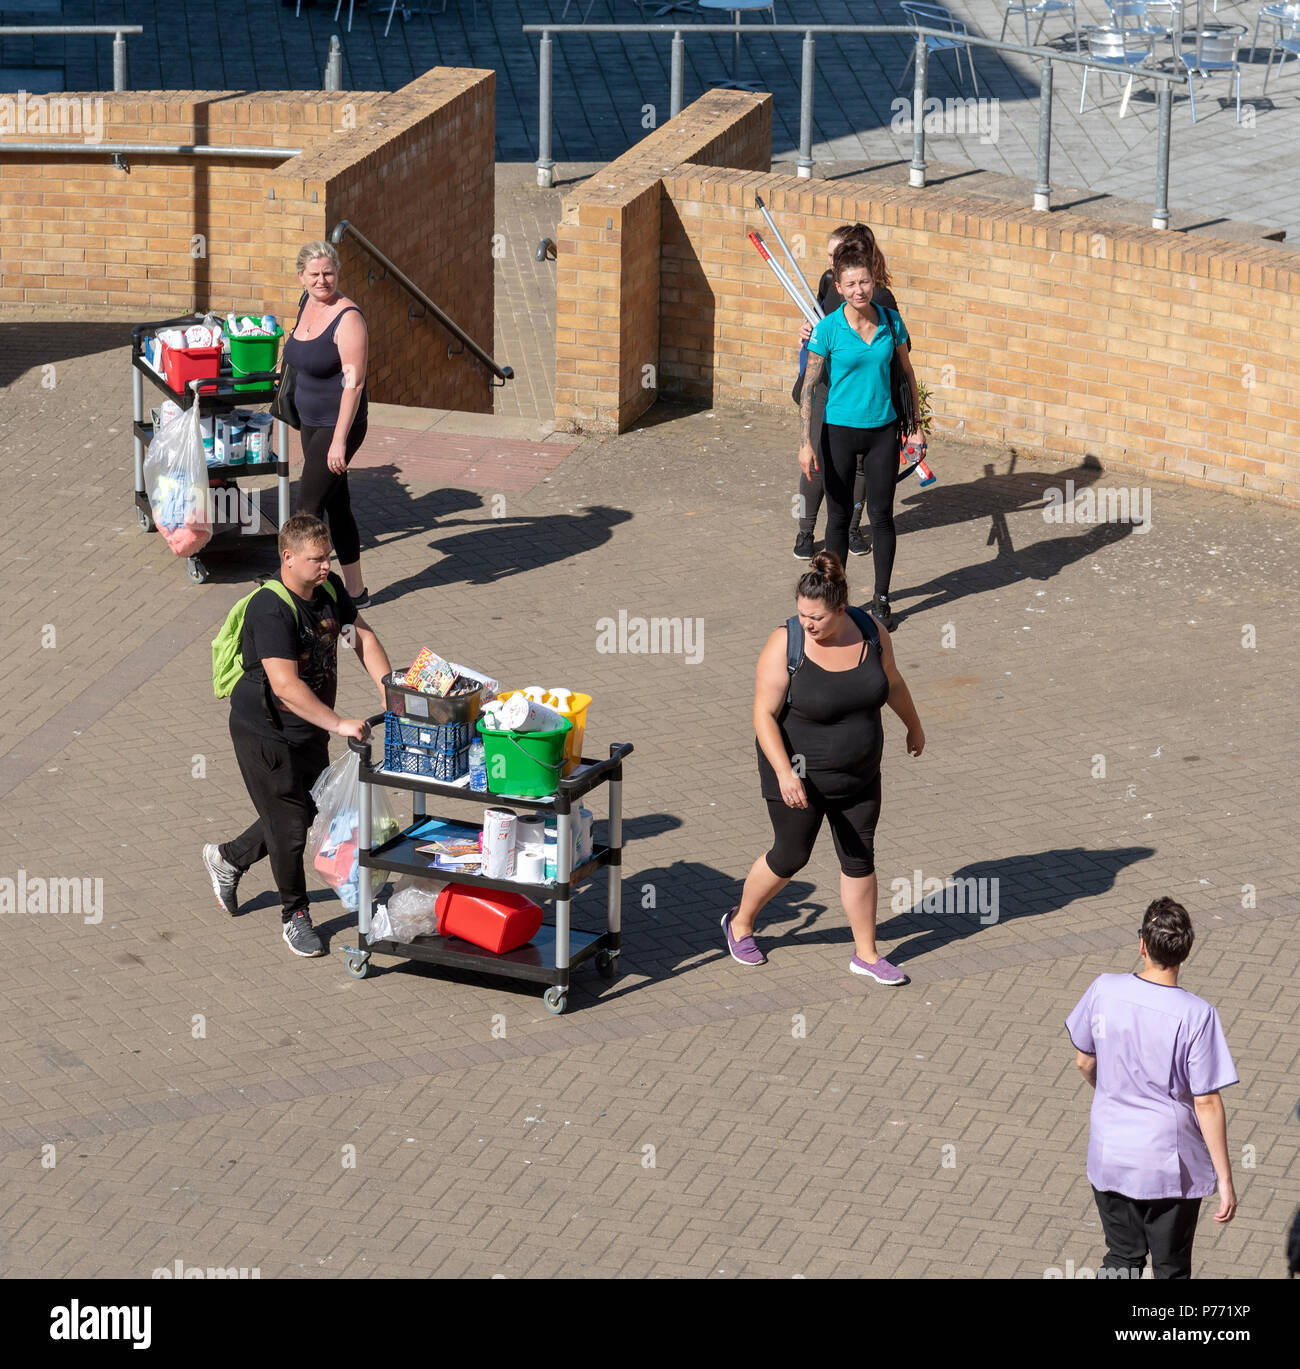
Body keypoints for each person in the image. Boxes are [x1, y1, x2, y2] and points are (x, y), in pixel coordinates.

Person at [723, 552, 925, 982]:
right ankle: (740, 922)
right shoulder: (787, 643)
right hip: (797, 775)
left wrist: (914, 726)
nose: (807, 624)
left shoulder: (872, 632)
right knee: (790, 855)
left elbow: (893, 682)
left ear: (841, 609)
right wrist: (783, 772)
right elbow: (763, 714)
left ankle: (866, 955)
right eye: (801, 614)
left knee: (859, 857)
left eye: (816, 617)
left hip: (860, 775)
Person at [202, 514, 392, 958]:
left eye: (327, 558)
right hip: (265, 732)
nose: (326, 567)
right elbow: (285, 684)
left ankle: (228, 858)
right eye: (316, 560)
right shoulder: (270, 609)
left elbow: (359, 636)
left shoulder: (327, 590)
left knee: (307, 808)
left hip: (309, 725)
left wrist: (390, 691)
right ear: (287, 558)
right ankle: (295, 915)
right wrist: (339, 722)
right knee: (289, 827)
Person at [1066, 897, 1239, 1279]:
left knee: (1122, 1258)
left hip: (1110, 1153)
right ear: (1185, 951)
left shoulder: (1104, 989)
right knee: (1170, 1268)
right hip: (1168, 1166)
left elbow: (1084, 1061)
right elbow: (1207, 1100)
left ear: (1142, 944)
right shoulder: (1197, 1015)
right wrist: (1225, 1180)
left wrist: (1111, 1090)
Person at [798, 236, 923, 631]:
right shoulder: (827, 330)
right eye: (850, 284)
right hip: (838, 432)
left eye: (864, 282)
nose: (858, 290)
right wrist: (806, 443)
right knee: (837, 519)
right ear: (838, 287)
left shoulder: (890, 321)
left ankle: (882, 601)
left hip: (882, 431)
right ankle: (836, 600)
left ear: (874, 281)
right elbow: (810, 386)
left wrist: (915, 429)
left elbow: (907, 373)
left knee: (881, 516)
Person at [792, 224, 902, 563]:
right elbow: (823, 321)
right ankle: (807, 531)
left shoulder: (879, 300)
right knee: (818, 466)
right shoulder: (829, 280)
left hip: (863, 403)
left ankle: (852, 528)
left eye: (834, 255)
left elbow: (899, 356)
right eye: (829, 257)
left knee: (859, 473)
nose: (829, 263)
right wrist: (808, 331)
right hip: (826, 390)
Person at [283, 241, 372, 607]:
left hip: (340, 425)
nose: (323, 280)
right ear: (301, 276)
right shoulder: (306, 304)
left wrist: (339, 442)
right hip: (310, 421)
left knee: (306, 508)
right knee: (338, 505)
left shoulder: (348, 318)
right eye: (315, 274)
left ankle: (297, 590)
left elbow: (354, 383)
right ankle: (356, 592)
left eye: (329, 273)